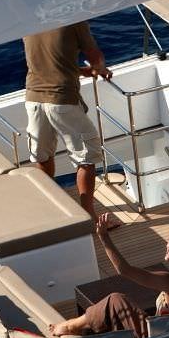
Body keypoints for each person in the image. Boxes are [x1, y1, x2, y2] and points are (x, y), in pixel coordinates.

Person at [51, 218, 169, 338]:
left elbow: (125, 270)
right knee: (120, 305)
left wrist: (104, 238)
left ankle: (70, 327)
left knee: (115, 300)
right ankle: (80, 328)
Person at [24, 22, 118, 226]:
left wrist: (83, 72)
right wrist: (99, 68)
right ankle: (89, 216)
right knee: (85, 155)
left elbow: (53, 61)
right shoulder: (74, 21)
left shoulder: (28, 22)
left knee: (43, 156)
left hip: (33, 98)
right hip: (62, 100)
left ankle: (51, 211)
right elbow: (95, 58)